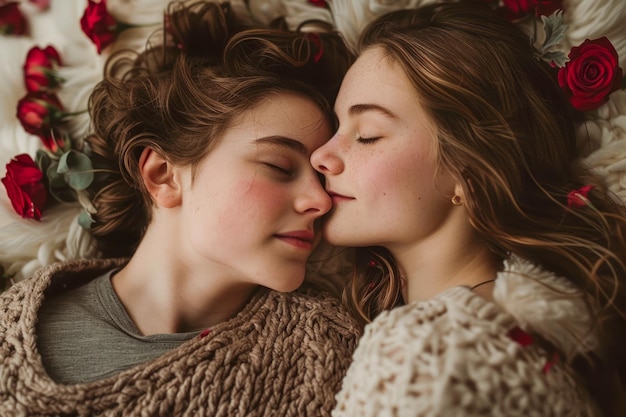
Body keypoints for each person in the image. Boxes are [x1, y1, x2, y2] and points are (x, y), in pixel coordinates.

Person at [0, 1, 360, 415]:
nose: (319, 201)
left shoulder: (326, 353)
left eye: (323, 178)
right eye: (279, 166)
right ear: (163, 175)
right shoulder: (13, 333)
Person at [311, 3, 626, 416]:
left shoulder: (431, 352)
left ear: (467, 170)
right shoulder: (534, 324)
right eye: (335, 129)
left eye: (367, 135)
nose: (321, 155)